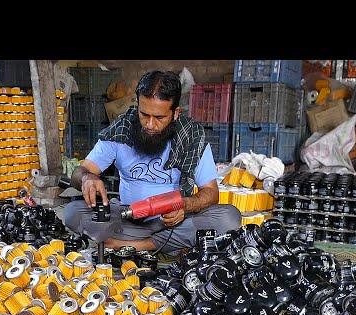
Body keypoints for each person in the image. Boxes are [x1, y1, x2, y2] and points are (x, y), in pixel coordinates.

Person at [64, 70, 241, 255]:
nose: (149, 125)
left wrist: (184, 205)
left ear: (175, 113)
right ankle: (170, 245)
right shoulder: (120, 131)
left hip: (173, 222)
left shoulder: (191, 136)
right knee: (72, 212)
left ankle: (138, 245)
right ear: (138, 105)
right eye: (144, 114)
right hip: (127, 218)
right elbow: (80, 171)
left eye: (159, 118)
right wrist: (86, 178)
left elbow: (211, 193)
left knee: (229, 218)